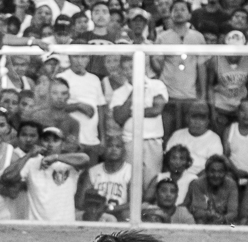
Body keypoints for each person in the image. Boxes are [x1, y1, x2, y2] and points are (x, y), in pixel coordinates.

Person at [104, 53, 168, 187]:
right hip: (130, 140)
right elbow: (119, 117)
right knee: (131, 180)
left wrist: (131, 112)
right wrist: (133, 93)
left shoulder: (156, 85)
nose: (129, 71)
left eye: (132, 67)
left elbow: (156, 110)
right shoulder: (120, 92)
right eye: (125, 68)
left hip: (152, 140)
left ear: (142, 67)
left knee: (152, 180)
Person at [1, 125, 89, 223]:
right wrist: (29, 154)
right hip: (37, 224)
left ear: (63, 144)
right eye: (46, 140)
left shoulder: (68, 163)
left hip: (65, 224)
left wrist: (55, 157)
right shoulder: (32, 162)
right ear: (39, 142)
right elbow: (7, 177)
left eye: (55, 140)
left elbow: (85, 159)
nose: (50, 144)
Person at [152, 0, 207, 137]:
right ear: (170, 14)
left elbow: (201, 66)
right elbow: (158, 66)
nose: (178, 12)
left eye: (183, 9)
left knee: (188, 134)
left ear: (189, 15)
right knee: (167, 133)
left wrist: (203, 95)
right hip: (168, 95)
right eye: (175, 9)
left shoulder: (197, 37)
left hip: (190, 95)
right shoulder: (162, 37)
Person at [80, 133, 130, 222]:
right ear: (103, 149)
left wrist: (110, 209)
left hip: (120, 215)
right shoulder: (93, 171)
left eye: (118, 147)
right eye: (110, 146)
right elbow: (82, 200)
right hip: (96, 215)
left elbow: (134, 203)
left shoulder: (130, 171)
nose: (114, 149)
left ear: (124, 151)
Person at [165, 103, 223, 176]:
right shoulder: (177, 134)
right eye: (194, 117)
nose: (197, 122)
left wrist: (193, 180)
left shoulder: (214, 138)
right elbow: (167, 160)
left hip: (201, 179)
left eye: (202, 119)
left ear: (208, 121)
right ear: (187, 118)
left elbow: (213, 166)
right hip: (176, 175)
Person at [186, 153, 238, 225]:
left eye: (220, 171)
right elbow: (197, 211)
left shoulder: (231, 184)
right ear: (206, 172)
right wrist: (209, 214)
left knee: (234, 227)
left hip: (226, 222)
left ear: (225, 173)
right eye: (212, 171)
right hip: (204, 221)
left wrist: (222, 219)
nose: (216, 175)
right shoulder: (198, 183)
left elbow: (233, 213)